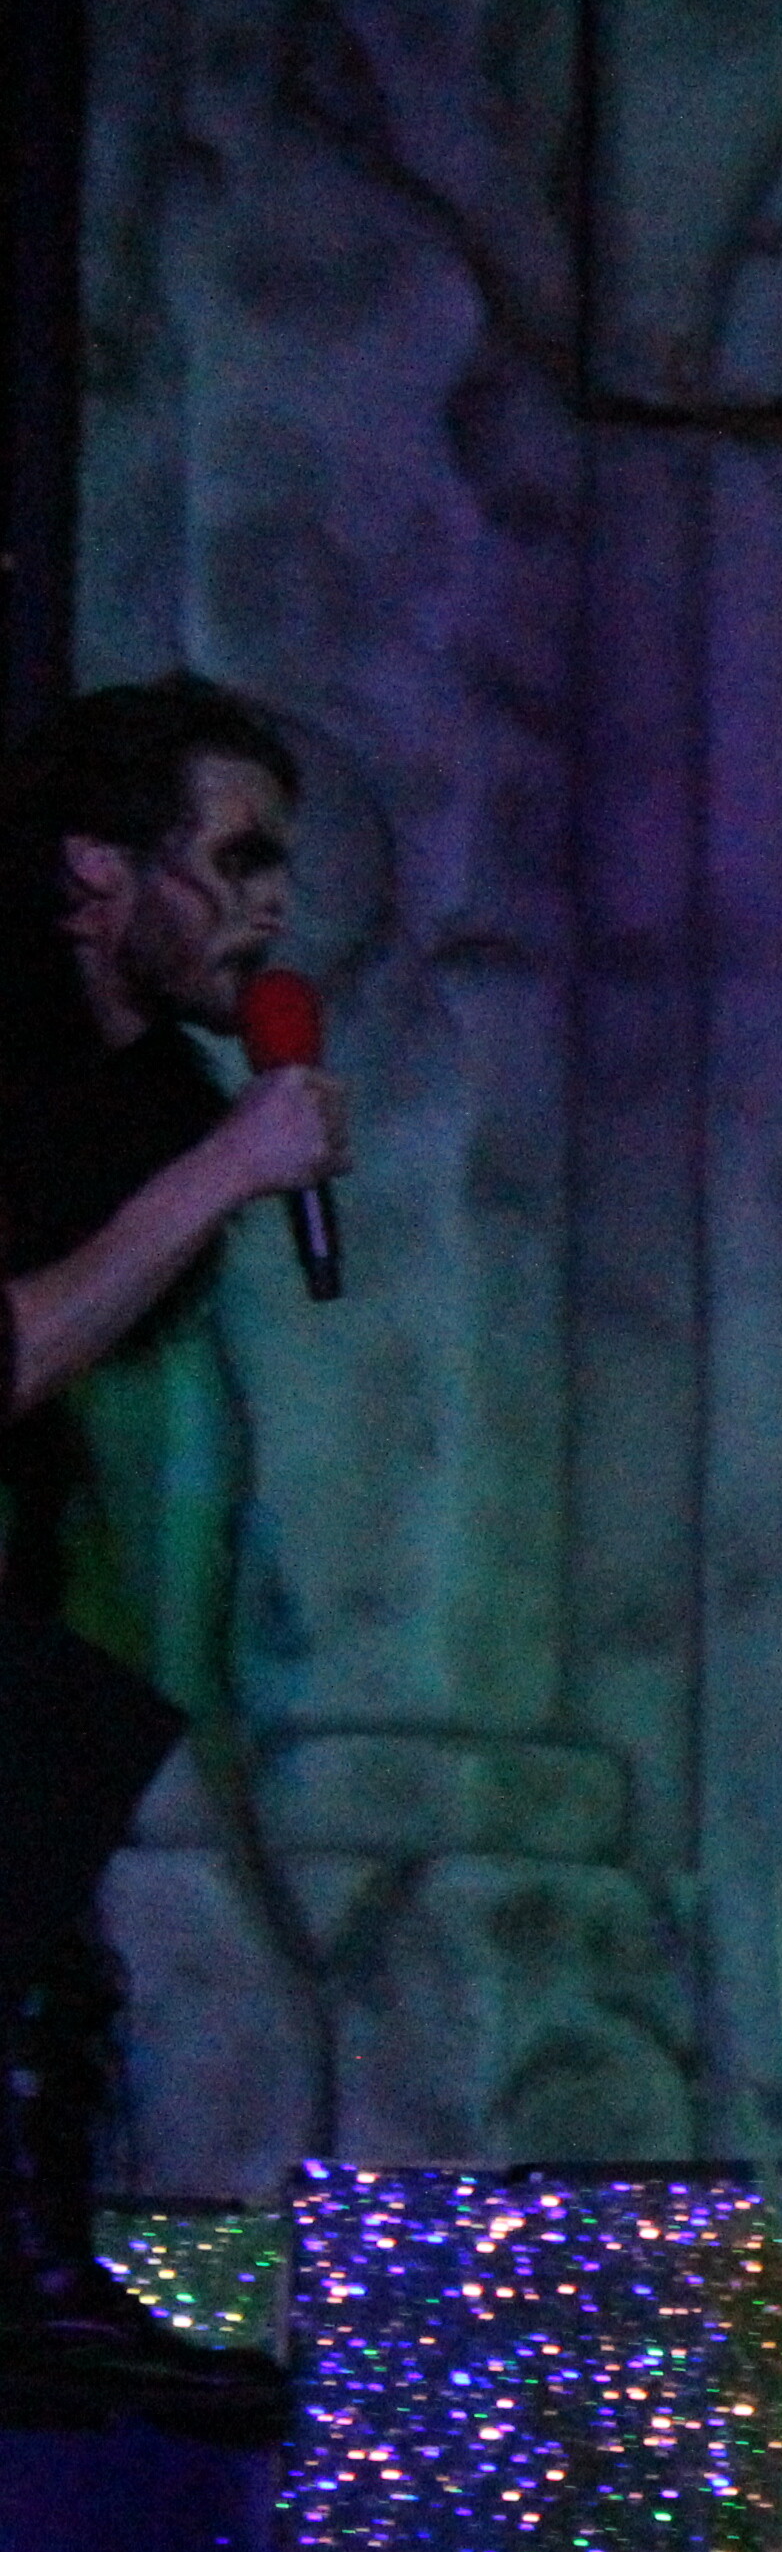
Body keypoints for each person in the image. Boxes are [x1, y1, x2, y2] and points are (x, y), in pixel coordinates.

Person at [0, 676, 349, 2417]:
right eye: (237, 860)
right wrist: (223, 1174)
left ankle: (34, 2275)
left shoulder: (158, 1096)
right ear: (96, 872)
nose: (269, 909)